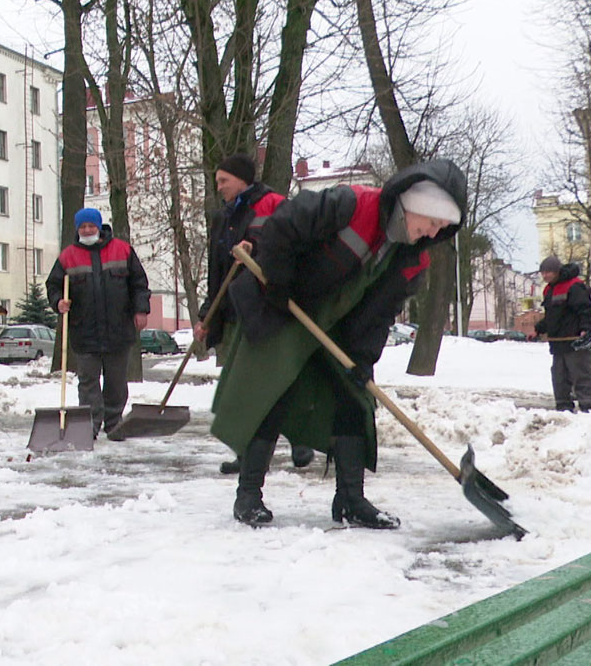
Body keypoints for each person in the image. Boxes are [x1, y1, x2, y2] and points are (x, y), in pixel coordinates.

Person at [213, 160, 466, 529]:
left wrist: (361, 358)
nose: (432, 232)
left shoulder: (411, 259)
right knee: (271, 393)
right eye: (432, 221)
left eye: (442, 228)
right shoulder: (349, 204)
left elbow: (380, 315)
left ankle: (350, 499)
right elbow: (284, 224)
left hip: (336, 327)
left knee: (355, 400)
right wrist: (280, 283)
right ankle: (248, 495)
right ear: (415, 206)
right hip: (284, 307)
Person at [193, 153, 316, 476]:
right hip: (234, 308)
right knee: (243, 385)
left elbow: (293, 249)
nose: (218, 187)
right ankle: (245, 450)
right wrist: (208, 314)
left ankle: (299, 438)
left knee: (276, 378)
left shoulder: (274, 203)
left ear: (243, 179)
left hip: (268, 305)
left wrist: (257, 249)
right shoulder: (223, 217)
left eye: (224, 181)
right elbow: (217, 272)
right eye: (217, 181)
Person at [46, 207, 151, 439]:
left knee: (116, 382)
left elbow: (139, 284)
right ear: (77, 229)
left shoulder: (122, 250)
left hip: (118, 330)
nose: (87, 230)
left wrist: (141, 310)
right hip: (84, 332)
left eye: (91, 226)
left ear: (99, 226)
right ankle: (90, 425)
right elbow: (53, 285)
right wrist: (58, 302)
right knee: (88, 382)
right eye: (82, 227)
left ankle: (113, 424)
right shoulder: (68, 256)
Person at [533, 256, 591, 412]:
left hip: (574, 340)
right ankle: (563, 407)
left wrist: (586, 328)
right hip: (557, 342)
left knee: (581, 376)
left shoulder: (574, 286)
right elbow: (551, 316)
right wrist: (539, 328)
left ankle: (589, 408)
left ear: (556, 271)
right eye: (543, 273)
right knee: (559, 378)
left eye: (548, 272)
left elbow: (586, 309)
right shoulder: (549, 289)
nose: (545, 276)